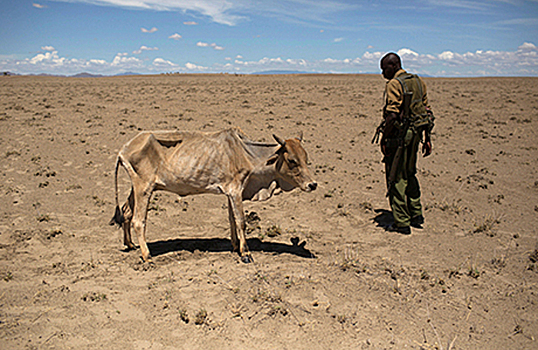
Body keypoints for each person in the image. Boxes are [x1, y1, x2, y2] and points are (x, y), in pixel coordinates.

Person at [377, 52, 434, 234]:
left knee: (396, 177)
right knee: (410, 173)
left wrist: (384, 138)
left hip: (400, 137)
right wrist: (427, 138)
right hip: (416, 134)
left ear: (393, 66)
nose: (383, 73)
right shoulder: (418, 81)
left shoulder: (395, 84)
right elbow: (426, 111)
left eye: (384, 69)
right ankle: (416, 214)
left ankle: (401, 222)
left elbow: (392, 115)